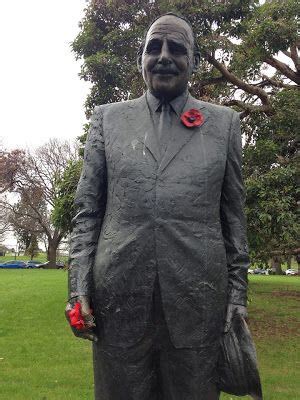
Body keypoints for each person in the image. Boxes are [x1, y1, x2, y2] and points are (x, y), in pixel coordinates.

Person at [66, 12, 249, 400]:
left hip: (199, 303)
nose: (164, 56)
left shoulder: (224, 124)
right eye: (154, 47)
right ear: (141, 60)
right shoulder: (108, 120)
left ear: (194, 62)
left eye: (177, 49)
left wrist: (237, 296)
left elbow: (234, 220)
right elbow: (87, 213)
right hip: (117, 299)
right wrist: (77, 288)